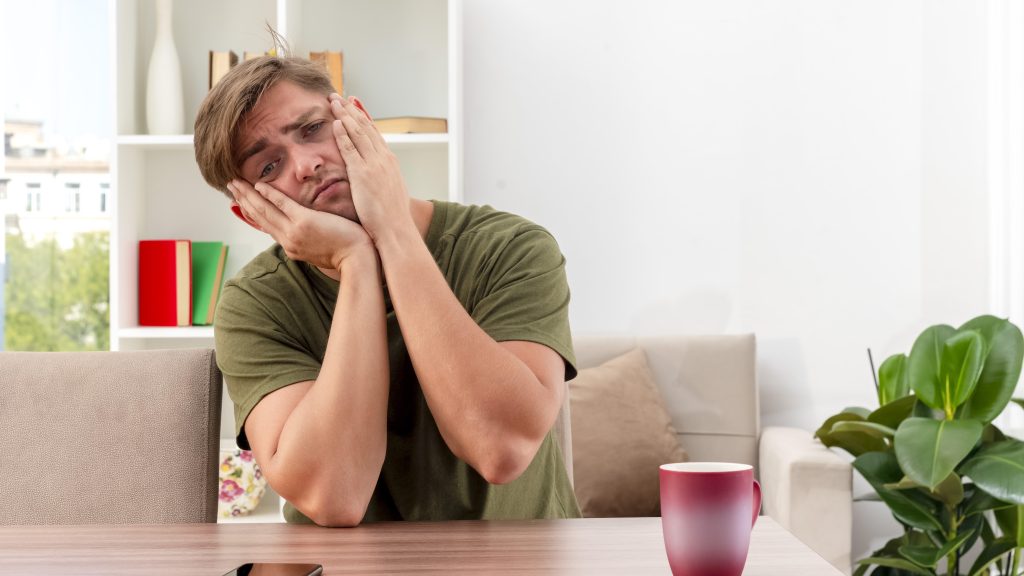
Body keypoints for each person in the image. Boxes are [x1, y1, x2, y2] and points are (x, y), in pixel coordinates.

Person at [192, 55, 581, 526]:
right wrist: (355, 261)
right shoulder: (253, 305)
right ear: (252, 214)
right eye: (270, 166)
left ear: (359, 119)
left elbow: (500, 449)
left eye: (313, 129)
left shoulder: (511, 248)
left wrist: (392, 230)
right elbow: (334, 494)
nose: (308, 164)